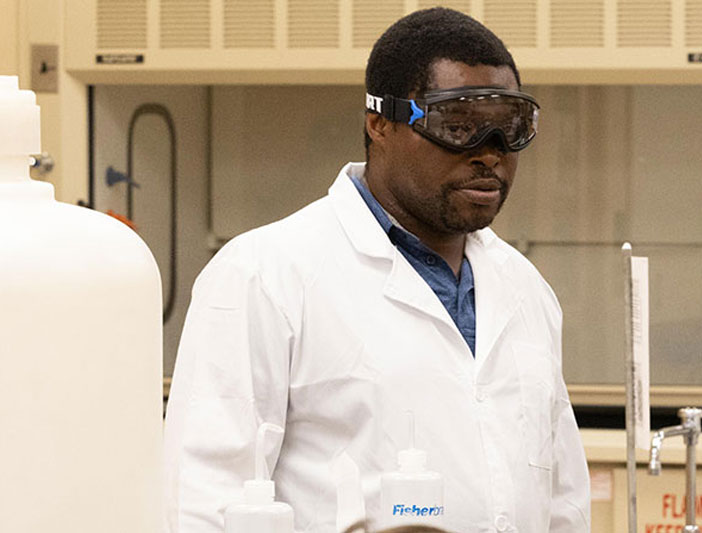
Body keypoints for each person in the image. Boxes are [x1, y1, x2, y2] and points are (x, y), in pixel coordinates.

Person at [163, 8, 590, 532]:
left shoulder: (525, 288)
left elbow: (563, 502)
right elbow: (203, 499)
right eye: (458, 127)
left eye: (510, 130)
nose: (489, 156)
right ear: (380, 123)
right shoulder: (264, 274)